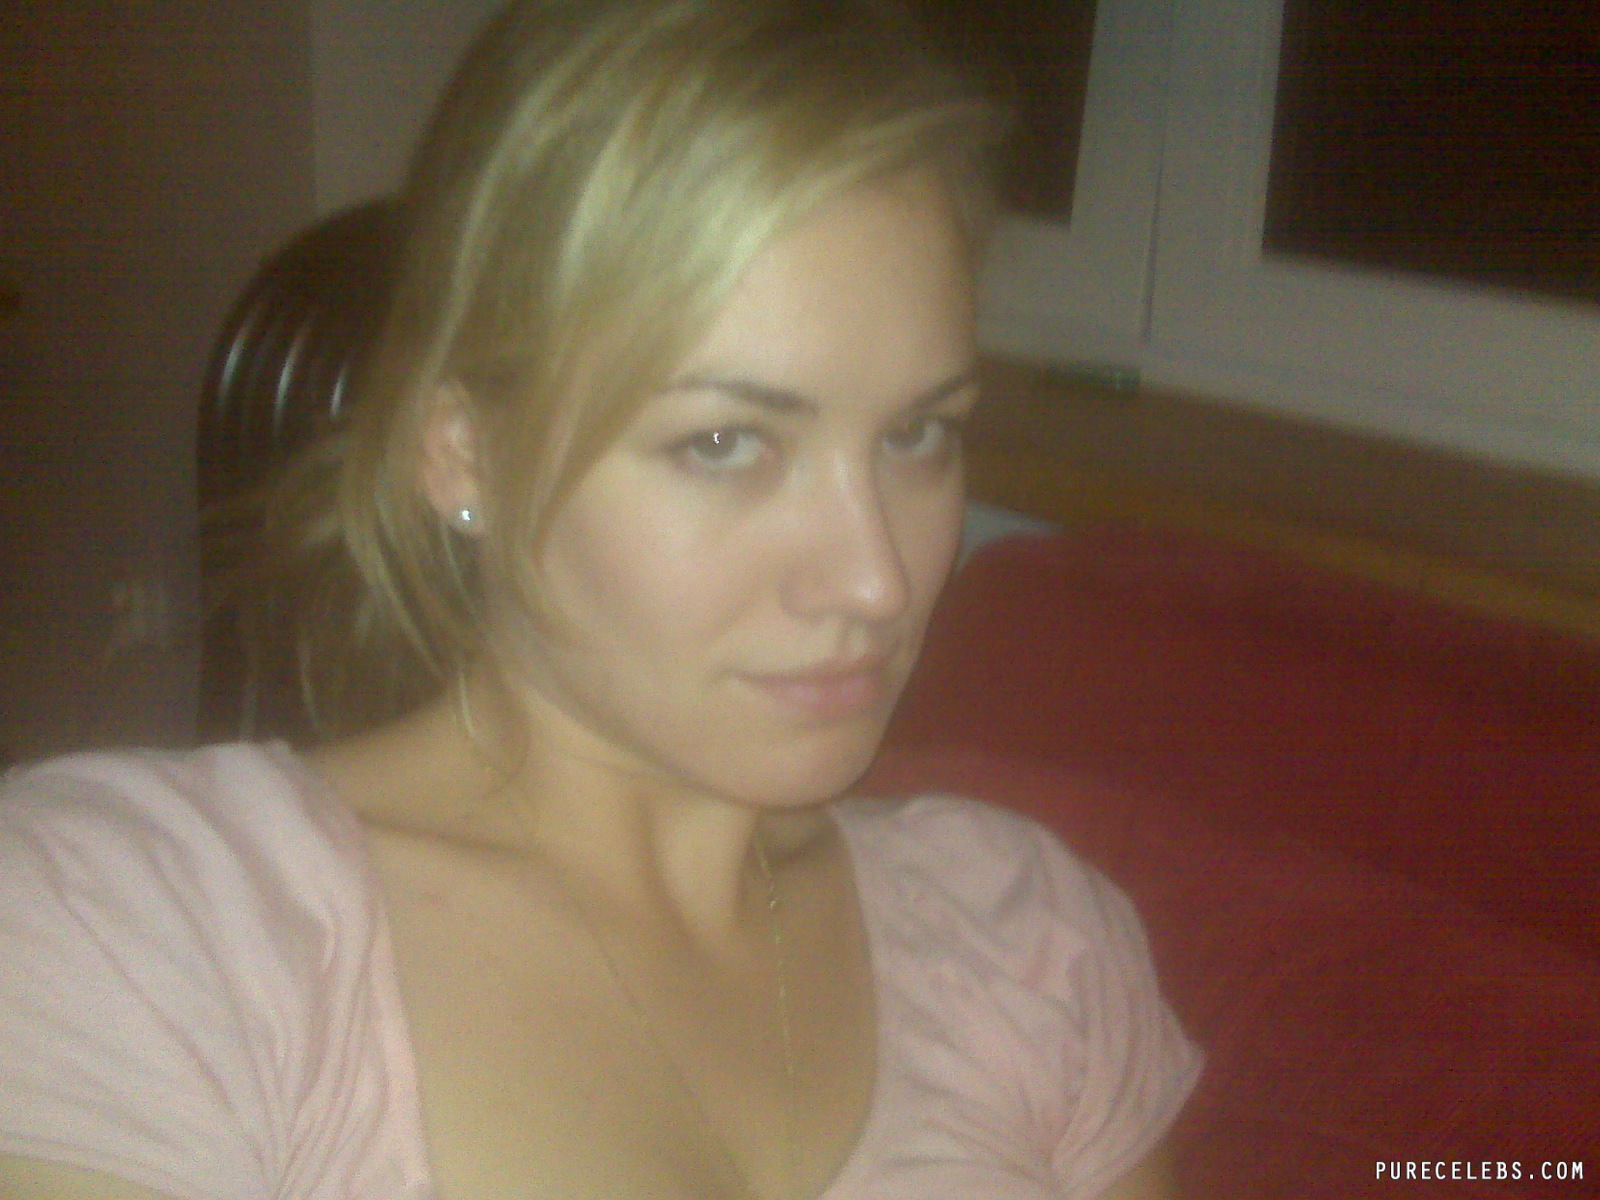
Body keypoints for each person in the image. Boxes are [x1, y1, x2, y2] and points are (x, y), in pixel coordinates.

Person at [0, 0, 1201, 1196]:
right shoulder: (141, 932)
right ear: (464, 454)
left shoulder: (1030, 944)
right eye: (723, 443)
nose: (876, 578)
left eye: (918, 434)